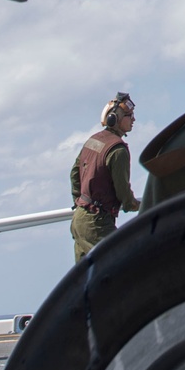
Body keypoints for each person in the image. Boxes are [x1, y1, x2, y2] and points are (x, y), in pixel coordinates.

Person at [70, 92, 140, 262]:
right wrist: (137, 205)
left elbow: (74, 174)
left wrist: (80, 202)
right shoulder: (118, 150)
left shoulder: (93, 141)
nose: (133, 120)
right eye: (129, 116)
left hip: (79, 220)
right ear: (114, 119)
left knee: (88, 280)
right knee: (126, 263)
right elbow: (123, 192)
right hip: (97, 224)